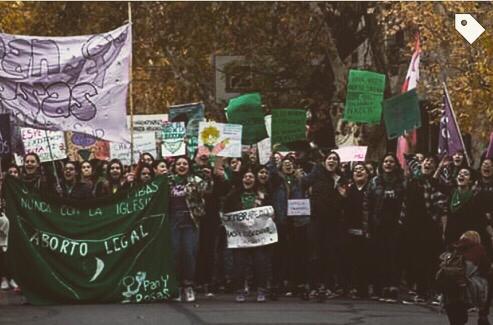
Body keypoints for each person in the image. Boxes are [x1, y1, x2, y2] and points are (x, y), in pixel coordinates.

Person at [402, 154, 448, 303]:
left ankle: (431, 291)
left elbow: (442, 207)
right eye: (426, 161)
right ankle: (419, 291)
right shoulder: (412, 183)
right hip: (413, 227)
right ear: (421, 165)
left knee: (431, 260)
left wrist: (442, 228)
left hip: (431, 228)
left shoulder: (436, 184)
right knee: (415, 260)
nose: (428, 163)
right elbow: (405, 204)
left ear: (434, 167)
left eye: (431, 162)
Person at [223, 169, 271, 303]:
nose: (248, 179)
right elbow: (225, 211)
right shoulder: (233, 195)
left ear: (255, 180)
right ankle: (240, 290)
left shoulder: (263, 194)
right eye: (246, 176)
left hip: (258, 235)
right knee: (239, 263)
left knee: (260, 261)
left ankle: (261, 289)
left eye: (251, 176)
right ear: (241, 179)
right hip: (240, 236)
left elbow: (270, 211)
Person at [302, 151, 345, 301]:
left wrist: (341, 194)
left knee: (329, 255)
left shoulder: (340, 179)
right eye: (329, 158)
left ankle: (327, 286)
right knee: (314, 255)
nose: (332, 161)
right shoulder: (316, 175)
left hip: (332, 223)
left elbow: (343, 201)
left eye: (335, 159)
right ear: (324, 161)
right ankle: (312, 286)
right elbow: (302, 184)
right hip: (316, 221)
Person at [169, 156, 211, 302]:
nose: (182, 166)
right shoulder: (168, 181)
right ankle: (177, 287)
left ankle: (188, 286)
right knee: (175, 253)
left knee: (189, 253)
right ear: (174, 167)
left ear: (189, 166)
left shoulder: (195, 180)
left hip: (190, 221)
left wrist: (208, 175)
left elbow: (208, 189)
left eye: (185, 163)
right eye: (179, 164)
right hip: (173, 220)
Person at [365, 153, 406, 302]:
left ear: (396, 164)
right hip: (378, 224)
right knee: (379, 256)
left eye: (391, 162)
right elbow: (367, 204)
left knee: (394, 256)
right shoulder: (374, 181)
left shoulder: (402, 182)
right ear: (382, 164)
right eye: (386, 161)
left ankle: (392, 286)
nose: (388, 164)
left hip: (396, 224)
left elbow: (406, 202)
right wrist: (367, 225)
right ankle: (379, 287)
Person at [441, 231, 490, 325]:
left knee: (454, 311)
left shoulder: (453, 248)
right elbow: (486, 267)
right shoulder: (478, 248)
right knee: (486, 282)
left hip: (449, 281)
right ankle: (483, 314)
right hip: (465, 282)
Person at [342, 162, 371, 298]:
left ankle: (363, 288)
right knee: (349, 261)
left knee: (364, 261)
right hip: (350, 230)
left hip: (366, 229)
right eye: (356, 170)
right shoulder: (348, 190)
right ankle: (350, 287)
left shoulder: (371, 189)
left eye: (362, 169)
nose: (358, 172)